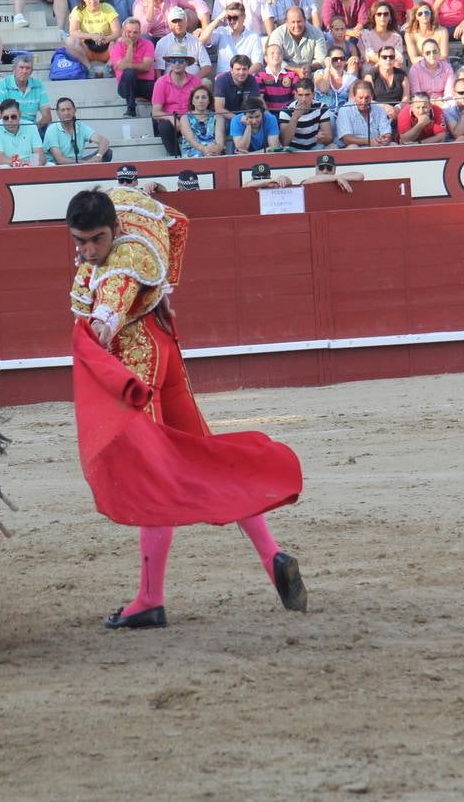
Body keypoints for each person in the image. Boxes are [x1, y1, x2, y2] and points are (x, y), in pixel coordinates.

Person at [65, 186, 307, 630]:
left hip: (139, 363)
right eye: (79, 241)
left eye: (97, 239)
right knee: (205, 457)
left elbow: (109, 310)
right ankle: (273, 556)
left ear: (115, 228)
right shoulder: (128, 204)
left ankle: (149, 600)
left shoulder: (119, 267)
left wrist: (106, 325)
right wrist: (161, 293)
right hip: (166, 349)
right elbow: (177, 222)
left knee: (154, 476)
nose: (88, 251)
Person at [151, 43, 197, 155]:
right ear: (170, 63)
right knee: (164, 126)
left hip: (191, 118)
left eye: (181, 61)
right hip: (171, 120)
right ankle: (175, 156)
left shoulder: (196, 81)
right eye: (173, 60)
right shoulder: (161, 82)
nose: (177, 63)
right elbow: (155, 112)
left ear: (186, 63)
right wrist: (171, 118)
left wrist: (186, 120)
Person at [65, 0, 121, 74]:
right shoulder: (78, 10)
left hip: (107, 47)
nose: (92, 2)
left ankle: (109, 66)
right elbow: (73, 32)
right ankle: (88, 67)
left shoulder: (108, 8)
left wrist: (107, 38)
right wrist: (92, 36)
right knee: (70, 41)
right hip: (87, 48)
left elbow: (117, 32)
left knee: (123, 40)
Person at [0, 52, 52, 129]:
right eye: (21, 67)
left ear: (31, 71)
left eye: (27, 68)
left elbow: (47, 116)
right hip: (10, 128)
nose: (24, 71)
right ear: (14, 69)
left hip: (32, 128)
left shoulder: (38, 85)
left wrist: (33, 130)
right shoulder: (2, 85)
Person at [45, 96, 113, 163]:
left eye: (68, 109)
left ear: (74, 110)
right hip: (59, 167)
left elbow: (104, 141)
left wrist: (99, 156)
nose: (66, 113)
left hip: (80, 163)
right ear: (57, 113)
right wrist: (86, 163)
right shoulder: (52, 129)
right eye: (63, 110)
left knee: (107, 152)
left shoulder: (80, 126)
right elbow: (59, 159)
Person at [112, 16, 156, 117]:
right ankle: (131, 108)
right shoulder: (116, 47)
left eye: (135, 32)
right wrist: (130, 47)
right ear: (123, 32)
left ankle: (155, 115)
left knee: (160, 86)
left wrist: (128, 65)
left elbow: (146, 67)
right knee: (129, 72)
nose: (132, 35)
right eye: (129, 32)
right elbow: (123, 67)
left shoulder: (148, 44)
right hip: (125, 86)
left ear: (140, 33)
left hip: (145, 84)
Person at [267, 5, 327, 74]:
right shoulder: (277, 34)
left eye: (299, 21)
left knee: (321, 75)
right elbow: (274, 59)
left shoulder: (317, 33)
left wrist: (310, 67)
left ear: (305, 20)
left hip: (311, 71)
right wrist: (296, 71)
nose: (296, 26)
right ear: (286, 22)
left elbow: (321, 59)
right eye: (293, 22)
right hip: (285, 72)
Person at [278, 77, 333, 150]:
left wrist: (323, 138)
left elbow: (329, 139)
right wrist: (295, 117)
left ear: (313, 95)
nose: (303, 99)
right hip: (292, 151)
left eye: (307, 95)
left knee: (333, 147)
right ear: (296, 95)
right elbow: (284, 143)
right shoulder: (286, 111)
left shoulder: (321, 107)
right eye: (300, 95)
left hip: (315, 148)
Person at [0, 98, 44, 165]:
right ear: (1, 116)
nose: (10, 120)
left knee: (50, 165)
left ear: (19, 115)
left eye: (13, 117)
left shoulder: (31, 126)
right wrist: (22, 164)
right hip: (5, 168)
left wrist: (27, 165)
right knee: (4, 166)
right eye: (6, 118)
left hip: (29, 167)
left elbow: (40, 157)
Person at [337, 80, 393, 146]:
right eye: (360, 98)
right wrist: (369, 141)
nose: (364, 101)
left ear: (372, 96)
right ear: (354, 97)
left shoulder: (380, 110)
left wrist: (385, 138)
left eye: (367, 98)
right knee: (353, 147)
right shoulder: (345, 110)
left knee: (393, 145)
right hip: (355, 148)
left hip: (377, 145)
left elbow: (386, 132)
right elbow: (347, 139)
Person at [178, 84, 224, 156]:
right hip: (192, 151)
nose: (200, 101)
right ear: (192, 101)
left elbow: (219, 137)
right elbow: (190, 139)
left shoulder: (218, 117)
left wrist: (218, 149)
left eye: (204, 97)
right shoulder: (185, 118)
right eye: (197, 98)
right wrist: (204, 149)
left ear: (209, 100)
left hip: (213, 151)